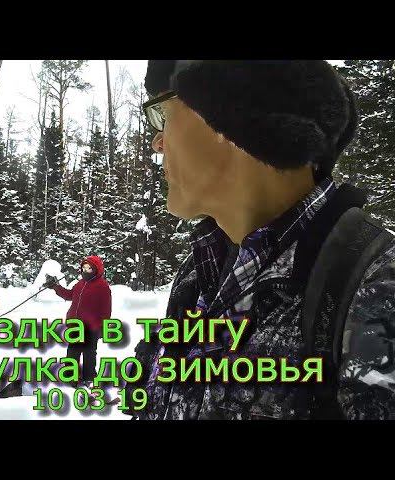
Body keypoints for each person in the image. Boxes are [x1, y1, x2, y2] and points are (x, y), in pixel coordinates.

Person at [126, 60, 395, 420]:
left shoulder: (376, 293)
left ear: (224, 111)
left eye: (163, 115)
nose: (157, 142)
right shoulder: (200, 271)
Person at [44, 255, 112, 385]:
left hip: (91, 327)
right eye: (84, 268)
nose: (86, 271)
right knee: (73, 351)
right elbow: (69, 295)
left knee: (89, 353)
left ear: (96, 269)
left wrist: (103, 328)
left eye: (89, 268)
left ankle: (89, 378)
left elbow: (106, 310)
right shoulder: (80, 284)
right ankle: (71, 376)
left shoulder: (102, 286)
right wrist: (55, 287)